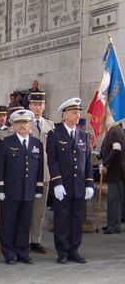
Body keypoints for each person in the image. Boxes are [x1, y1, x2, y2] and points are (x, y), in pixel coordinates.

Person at [47, 97, 94, 264]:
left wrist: (89, 183)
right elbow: (52, 160)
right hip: (63, 185)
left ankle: (74, 250)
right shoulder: (54, 133)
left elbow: (87, 161)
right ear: (64, 115)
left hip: (79, 185)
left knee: (76, 218)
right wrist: (57, 183)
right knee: (62, 218)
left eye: (78, 112)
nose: (77, 115)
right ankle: (63, 251)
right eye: (74, 112)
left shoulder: (83, 134)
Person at [0, 109, 44, 265]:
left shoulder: (37, 143)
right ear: (13, 125)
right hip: (10, 191)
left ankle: (23, 252)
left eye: (25, 122)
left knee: (25, 223)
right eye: (19, 123)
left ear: (31, 125)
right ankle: (9, 253)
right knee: (8, 223)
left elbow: (40, 168)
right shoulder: (6, 143)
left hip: (28, 191)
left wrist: (38, 188)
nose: (22, 126)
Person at [28, 92, 55, 253]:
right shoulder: (24, 122)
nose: (38, 108)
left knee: (39, 210)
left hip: (44, 173)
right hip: (27, 173)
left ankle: (35, 240)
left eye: (41, 104)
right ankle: (23, 238)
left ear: (44, 106)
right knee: (25, 208)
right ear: (30, 106)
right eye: (35, 104)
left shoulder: (50, 125)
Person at [100, 122, 125, 234]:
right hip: (115, 171)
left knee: (114, 199)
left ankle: (114, 225)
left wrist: (105, 163)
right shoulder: (114, 129)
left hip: (115, 171)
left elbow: (116, 150)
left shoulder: (115, 130)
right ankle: (111, 223)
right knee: (112, 199)